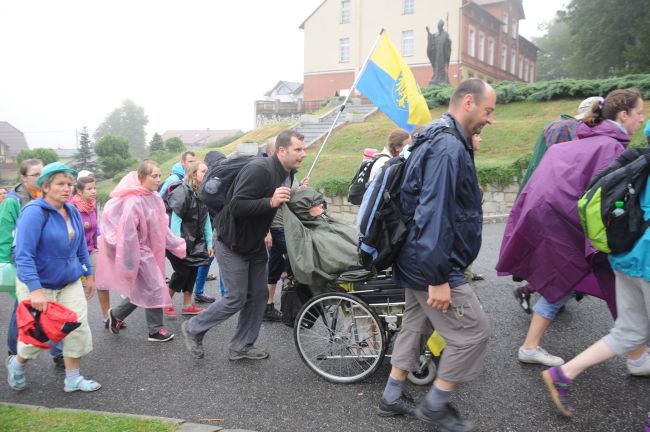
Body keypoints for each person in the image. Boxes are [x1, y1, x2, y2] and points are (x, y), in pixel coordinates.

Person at [496, 89, 648, 372]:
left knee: (566, 280)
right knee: (603, 282)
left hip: (554, 220)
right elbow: (607, 202)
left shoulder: (589, 140)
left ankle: (531, 346)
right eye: (639, 114)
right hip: (572, 227)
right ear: (623, 115)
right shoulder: (612, 147)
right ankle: (637, 355)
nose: (641, 120)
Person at [378, 78, 495, 432]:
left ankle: (391, 396)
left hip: (416, 256)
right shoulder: (447, 147)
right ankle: (435, 407)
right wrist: (439, 277)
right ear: (469, 102)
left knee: (416, 324)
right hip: (431, 262)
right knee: (474, 332)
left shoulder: (440, 138)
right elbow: (434, 213)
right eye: (488, 111)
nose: (491, 119)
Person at [542, 142, 649, 421]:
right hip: (647, 261)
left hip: (625, 256)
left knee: (629, 331)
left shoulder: (640, 157)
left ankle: (563, 374)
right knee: (630, 332)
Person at [181, 130, 306, 360]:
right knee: (236, 297)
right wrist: (270, 201)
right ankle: (193, 328)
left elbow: (279, 204)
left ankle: (241, 346)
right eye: (298, 149)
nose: (303, 154)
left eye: (303, 149)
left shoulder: (288, 174)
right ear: (281, 150)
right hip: (232, 242)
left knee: (258, 296)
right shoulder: (260, 170)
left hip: (254, 242)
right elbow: (236, 205)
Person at [7, 162, 99, 392]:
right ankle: (17, 364)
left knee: (77, 327)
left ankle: (72, 379)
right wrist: (35, 290)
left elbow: (80, 249)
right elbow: (24, 256)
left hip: (69, 281)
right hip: (39, 283)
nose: (67, 188)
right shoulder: (34, 212)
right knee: (39, 335)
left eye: (69, 184)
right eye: (60, 184)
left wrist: (89, 275)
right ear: (46, 186)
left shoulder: (72, 211)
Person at [98, 160, 186, 342]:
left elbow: (162, 227)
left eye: (159, 175)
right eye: (154, 176)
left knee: (144, 288)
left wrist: (177, 243)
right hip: (140, 252)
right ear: (142, 177)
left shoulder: (154, 198)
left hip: (151, 252)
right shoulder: (134, 201)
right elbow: (128, 236)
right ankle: (155, 330)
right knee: (154, 286)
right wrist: (129, 262)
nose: (158, 179)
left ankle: (116, 315)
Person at [1, 159, 63, 367]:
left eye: (42, 173)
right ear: (23, 178)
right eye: (34, 174)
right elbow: (5, 236)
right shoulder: (14, 201)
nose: (40, 177)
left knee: (55, 303)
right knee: (25, 304)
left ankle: (58, 352)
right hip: (23, 257)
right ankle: (13, 350)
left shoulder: (48, 195)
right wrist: (5, 264)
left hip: (47, 257)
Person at [164, 161, 212, 317]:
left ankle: (187, 305)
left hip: (194, 242)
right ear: (194, 174)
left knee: (193, 270)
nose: (206, 174)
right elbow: (175, 220)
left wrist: (209, 243)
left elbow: (206, 220)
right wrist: (177, 243)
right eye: (203, 171)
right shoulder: (182, 192)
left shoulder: (202, 193)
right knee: (182, 272)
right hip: (178, 242)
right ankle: (165, 302)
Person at [70, 175, 108, 327]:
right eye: (89, 189)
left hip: (90, 249)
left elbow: (95, 228)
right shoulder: (71, 207)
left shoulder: (92, 205)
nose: (93, 191)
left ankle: (107, 316)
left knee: (102, 280)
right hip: (73, 252)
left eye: (94, 188)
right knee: (74, 285)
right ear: (79, 191)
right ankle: (73, 318)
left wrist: (98, 242)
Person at [194, 151, 227, 303]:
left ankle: (203, 292)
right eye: (203, 171)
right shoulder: (199, 189)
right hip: (209, 229)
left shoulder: (215, 182)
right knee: (212, 259)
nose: (206, 173)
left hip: (213, 227)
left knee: (211, 259)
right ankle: (223, 295)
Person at [426, 19, 452, 84]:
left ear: (442, 26)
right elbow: (431, 40)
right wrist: (428, 32)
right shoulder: (436, 35)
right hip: (436, 55)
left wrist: (447, 58)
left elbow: (448, 46)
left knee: (442, 68)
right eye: (438, 26)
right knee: (436, 67)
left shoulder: (445, 34)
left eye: (440, 26)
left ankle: (442, 79)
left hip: (442, 56)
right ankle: (436, 77)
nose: (438, 27)